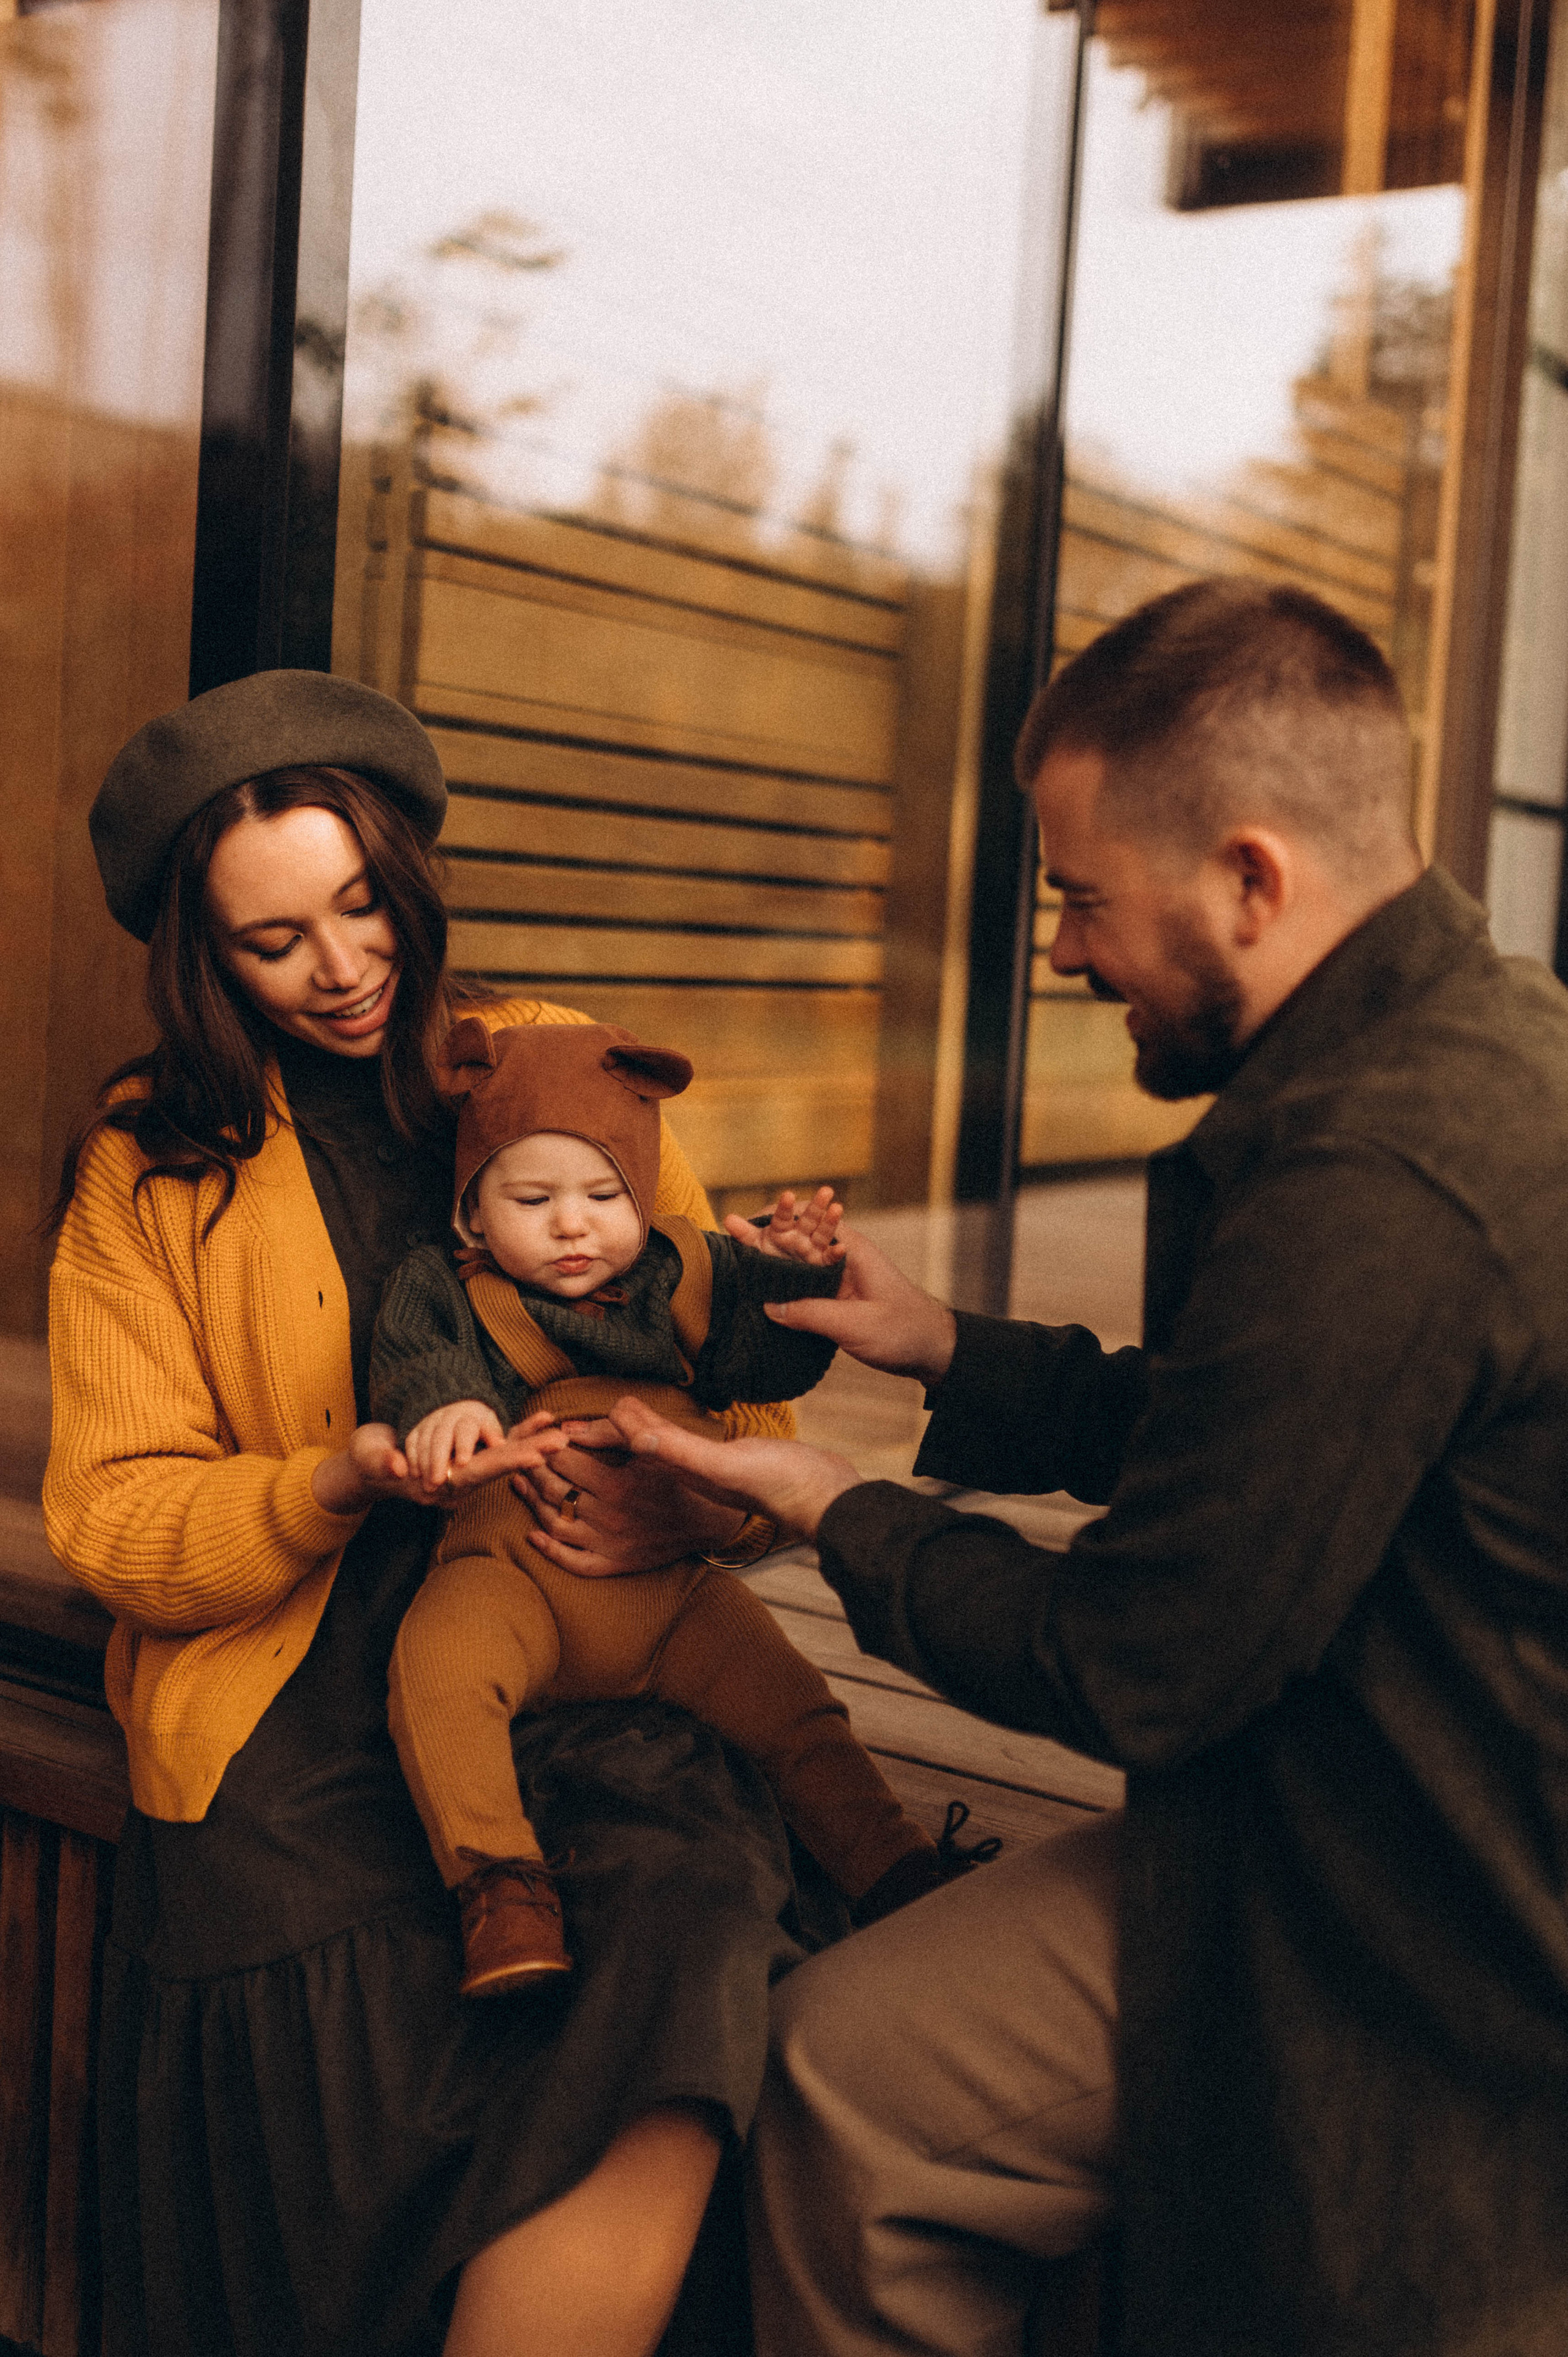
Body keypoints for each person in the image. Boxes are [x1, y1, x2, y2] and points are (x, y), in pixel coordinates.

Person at [604, 579, 1568, 2355]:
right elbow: (1267, 1439)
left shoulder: (1384, 1178)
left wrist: (831, 1507)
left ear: (1253, 880)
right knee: (850, 2067)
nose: (1057, 951)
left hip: (1435, 1907)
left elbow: (1141, 1660)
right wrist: (955, 1351)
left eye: (1079, 898)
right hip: (1330, 1778)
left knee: (856, 2076)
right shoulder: (1466, 1026)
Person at [43, 667, 833, 2357]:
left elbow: (744, 1395)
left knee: (684, 1938)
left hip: (590, 1659)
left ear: (404, 873)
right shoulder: (153, 1162)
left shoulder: (564, 1066)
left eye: (360, 905)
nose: (340, 968)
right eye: (274, 942)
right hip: (292, 1714)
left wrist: (683, 1516)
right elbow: (112, 1521)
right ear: (205, 960)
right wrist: (327, 1477)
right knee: (367, 2074)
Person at [365, 1012, 941, 1993]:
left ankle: (897, 1872)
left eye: (602, 1194)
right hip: (516, 1577)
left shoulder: (685, 1272)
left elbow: (772, 1356)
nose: (572, 1223)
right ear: (472, 1214)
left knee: (795, 1708)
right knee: (436, 1672)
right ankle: (501, 1890)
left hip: (674, 1593)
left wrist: (801, 1273)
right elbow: (420, 1360)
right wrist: (452, 1409)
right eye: (531, 1197)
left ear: (640, 1195)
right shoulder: (451, 1287)